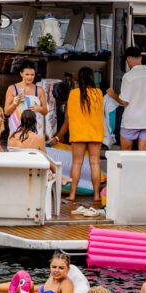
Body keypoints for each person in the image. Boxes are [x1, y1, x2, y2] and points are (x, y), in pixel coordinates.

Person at [52, 67, 104, 202]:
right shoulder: (98, 93)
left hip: (78, 133)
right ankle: (97, 196)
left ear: (78, 80)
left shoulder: (73, 94)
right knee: (95, 163)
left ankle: (73, 194)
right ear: (92, 78)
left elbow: (68, 119)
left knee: (77, 163)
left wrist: (58, 136)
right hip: (95, 133)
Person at [107, 47, 146, 151]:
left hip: (131, 122)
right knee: (142, 155)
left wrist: (113, 94)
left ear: (128, 59)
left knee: (125, 154)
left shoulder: (128, 76)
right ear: (141, 58)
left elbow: (124, 101)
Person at [4, 59, 47, 136]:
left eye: (32, 74)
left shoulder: (39, 90)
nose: (30, 77)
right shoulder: (12, 89)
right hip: (16, 127)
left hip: (35, 129)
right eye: (27, 74)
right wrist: (15, 103)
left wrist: (39, 108)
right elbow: (6, 112)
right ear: (21, 74)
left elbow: (45, 111)